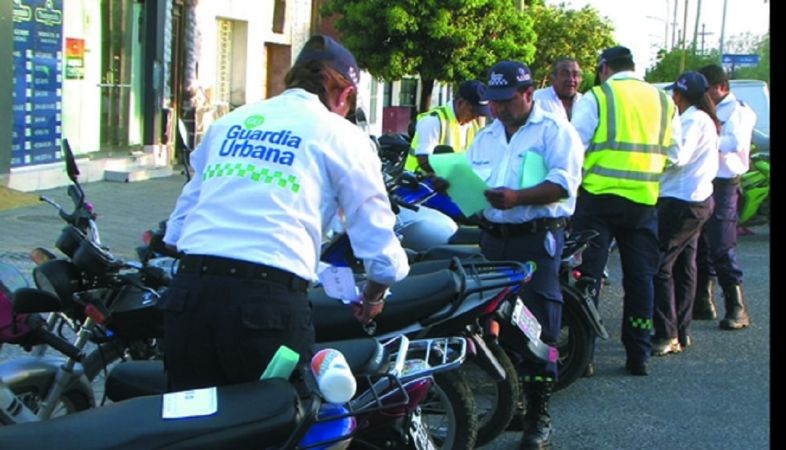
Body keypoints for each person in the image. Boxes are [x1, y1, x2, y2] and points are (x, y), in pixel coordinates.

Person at [160, 35, 410, 391]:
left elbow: (177, 227)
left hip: (190, 298)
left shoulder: (231, 122)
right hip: (265, 310)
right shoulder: (342, 135)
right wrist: (373, 297)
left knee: (193, 426)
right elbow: (380, 249)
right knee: (276, 423)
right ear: (343, 94)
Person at [467, 60, 583, 450]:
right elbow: (470, 184)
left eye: (505, 100)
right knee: (494, 324)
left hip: (535, 241)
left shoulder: (554, 131)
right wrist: (451, 187)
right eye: (493, 102)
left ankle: (539, 417)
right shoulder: (486, 137)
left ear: (528, 93)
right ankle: (511, 402)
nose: (498, 108)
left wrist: (518, 198)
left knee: (538, 327)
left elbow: (563, 185)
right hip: (492, 240)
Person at [570, 46, 681, 376]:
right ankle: (638, 354)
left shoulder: (598, 97)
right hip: (643, 202)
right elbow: (677, 154)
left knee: (587, 277)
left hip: (597, 200)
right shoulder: (664, 101)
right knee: (640, 278)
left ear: (604, 67)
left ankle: (584, 354)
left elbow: (575, 146)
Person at [652, 71, 720, 356]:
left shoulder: (690, 120)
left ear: (680, 95)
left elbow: (677, 156)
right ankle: (681, 331)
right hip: (698, 199)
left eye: (673, 94)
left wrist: (653, 154)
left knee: (660, 266)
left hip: (680, 201)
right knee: (684, 266)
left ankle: (666, 334)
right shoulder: (706, 119)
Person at [692, 64, 757, 330]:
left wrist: (706, 137)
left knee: (721, 243)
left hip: (725, 182)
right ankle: (703, 301)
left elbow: (733, 143)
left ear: (722, 87)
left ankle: (736, 306)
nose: (703, 95)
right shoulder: (703, 111)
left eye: (706, 89)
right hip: (703, 180)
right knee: (700, 246)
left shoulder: (738, 111)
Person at [394, 80, 491, 250]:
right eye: (474, 111)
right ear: (461, 103)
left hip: (455, 186)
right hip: (421, 187)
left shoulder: (473, 125)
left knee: (488, 212)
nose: (476, 116)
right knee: (467, 216)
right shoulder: (433, 120)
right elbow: (424, 160)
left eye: (480, 113)